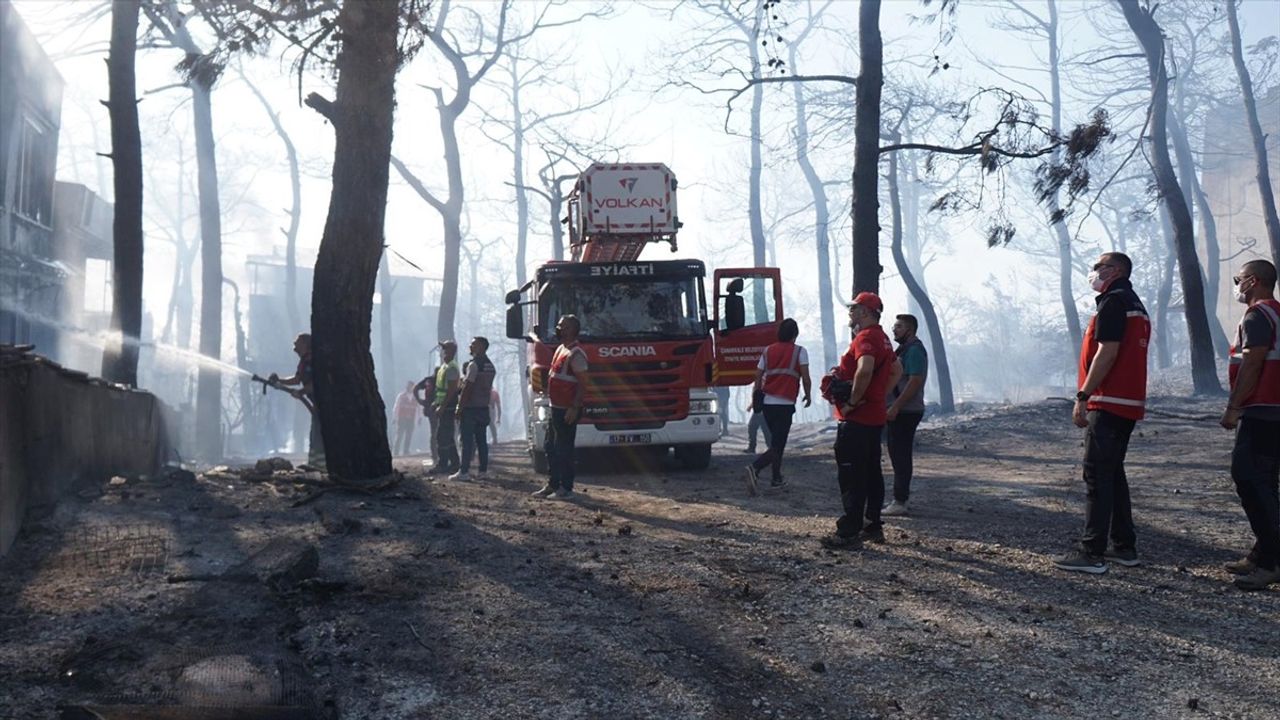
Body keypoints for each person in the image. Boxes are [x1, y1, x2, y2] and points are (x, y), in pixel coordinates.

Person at [1055, 252, 1150, 574]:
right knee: (1113, 473)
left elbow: (1107, 352)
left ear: (1117, 271)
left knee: (1096, 475)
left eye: (1099, 267)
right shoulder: (1135, 304)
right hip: (1127, 403)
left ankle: (1091, 552)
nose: (1094, 272)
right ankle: (1124, 547)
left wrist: (1083, 394)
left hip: (1108, 401)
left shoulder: (1113, 302)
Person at [821, 292, 901, 550]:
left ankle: (849, 531)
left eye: (854, 308)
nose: (850, 312)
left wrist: (853, 402)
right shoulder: (884, 339)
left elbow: (865, 369)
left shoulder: (865, 338)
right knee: (871, 472)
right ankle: (872, 525)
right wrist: (878, 395)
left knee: (852, 475)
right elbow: (897, 370)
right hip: (874, 417)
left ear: (865, 312)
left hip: (856, 419)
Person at [1219, 259, 1280, 591]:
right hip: (1273, 410)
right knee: (1265, 483)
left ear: (1252, 281)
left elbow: (1253, 363)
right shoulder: (1277, 313)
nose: (1236, 285)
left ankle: (1272, 561)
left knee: (1250, 479)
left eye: (1238, 279)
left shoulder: (1257, 315)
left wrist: (1234, 407)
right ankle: (1262, 552)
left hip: (1262, 411)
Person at [745, 318, 811, 495]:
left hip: (768, 404)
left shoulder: (768, 350)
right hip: (785, 404)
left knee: (776, 442)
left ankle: (776, 478)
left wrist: (756, 394)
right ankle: (755, 467)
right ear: (795, 334)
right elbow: (805, 378)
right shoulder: (800, 351)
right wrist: (808, 394)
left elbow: (758, 375)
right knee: (778, 445)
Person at [533, 315, 589, 500]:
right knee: (550, 446)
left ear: (572, 330)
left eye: (562, 326)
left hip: (567, 409)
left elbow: (583, 383)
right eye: (558, 326)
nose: (558, 329)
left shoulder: (576, 354)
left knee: (564, 449)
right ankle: (553, 483)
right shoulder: (560, 349)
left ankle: (566, 488)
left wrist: (575, 407)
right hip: (555, 407)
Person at [883, 314, 929, 516]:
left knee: (900, 455)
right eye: (895, 326)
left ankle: (900, 501)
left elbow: (915, 381)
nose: (894, 329)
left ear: (910, 329)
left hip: (906, 411)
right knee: (897, 454)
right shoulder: (904, 350)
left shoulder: (914, 350)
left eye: (899, 326)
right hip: (901, 409)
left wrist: (896, 406)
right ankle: (900, 498)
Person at [269, 333, 324, 469]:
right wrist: (279, 381)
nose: (294, 344)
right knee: (315, 434)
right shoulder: (304, 361)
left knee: (319, 435)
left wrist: (301, 392)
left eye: (297, 341)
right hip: (317, 405)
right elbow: (297, 380)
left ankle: (321, 466)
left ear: (305, 344)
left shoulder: (313, 360)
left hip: (324, 405)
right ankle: (315, 465)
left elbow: (316, 383)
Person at [452, 337, 497, 480]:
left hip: (470, 409)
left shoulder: (473, 365)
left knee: (467, 441)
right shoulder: (490, 366)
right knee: (481, 441)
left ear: (481, 347)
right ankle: (483, 471)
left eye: (473, 345)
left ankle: (464, 471)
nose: (470, 347)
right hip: (483, 407)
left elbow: (468, 388)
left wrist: (459, 407)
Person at [426, 340, 462, 475]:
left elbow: (451, 390)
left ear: (452, 351)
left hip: (449, 406)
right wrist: (436, 402)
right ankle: (455, 463)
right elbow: (441, 389)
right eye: (443, 349)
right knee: (448, 436)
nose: (443, 351)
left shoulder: (451, 368)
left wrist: (442, 406)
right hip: (443, 404)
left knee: (442, 436)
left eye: (446, 348)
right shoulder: (444, 367)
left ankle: (443, 464)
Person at [392, 380, 419, 456]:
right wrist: (395, 417)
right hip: (402, 418)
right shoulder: (401, 396)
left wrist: (419, 418)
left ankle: (406, 450)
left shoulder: (415, 397)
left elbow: (418, 408)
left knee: (409, 435)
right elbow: (396, 407)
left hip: (411, 418)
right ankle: (396, 451)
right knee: (399, 435)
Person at [745, 388, 773, 454]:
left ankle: (770, 447)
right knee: (757, 427)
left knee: (758, 427)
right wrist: (751, 406)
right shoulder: (758, 384)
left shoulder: (763, 384)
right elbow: (756, 397)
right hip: (760, 408)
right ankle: (770, 447)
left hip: (762, 408)